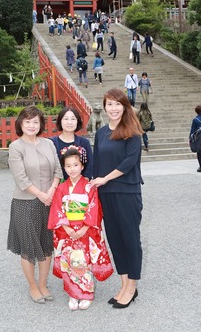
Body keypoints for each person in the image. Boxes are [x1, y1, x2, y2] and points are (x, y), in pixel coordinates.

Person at [90, 88, 144, 309]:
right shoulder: (101, 133)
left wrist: (105, 179)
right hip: (106, 194)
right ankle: (123, 284)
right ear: (104, 106)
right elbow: (96, 164)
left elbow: (129, 162)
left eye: (117, 104)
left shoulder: (132, 131)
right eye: (109, 104)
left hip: (127, 192)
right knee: (115, 239)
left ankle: (131, 287)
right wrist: (93, 184)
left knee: (130, 239)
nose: (113, 108)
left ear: (125, 106)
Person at [7, 106, 63, 304]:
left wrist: (52, 190)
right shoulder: (16, 147)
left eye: (35, 122)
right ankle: (32, 286)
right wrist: (41, 194)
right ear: (21, 123)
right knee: (29, 247)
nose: (31, 125)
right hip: (25, 203)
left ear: (41, 124)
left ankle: (43, 284)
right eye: (27, 121)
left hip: (49, 201)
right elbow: (20, 178)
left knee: (47, 245)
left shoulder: (48, 143)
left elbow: (58, 169)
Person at [48, 147, 114, 311]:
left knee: (84, 261)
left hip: (85, 230)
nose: (72, 169)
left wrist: (84, 227)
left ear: (82, 166)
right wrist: (66, 227)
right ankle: (73, 293)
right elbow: (57, 208)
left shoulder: (89, 186)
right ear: (64, 168)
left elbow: (94, 208)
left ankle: (86, 293)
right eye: (68, 166)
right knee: (70, 261)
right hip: (68, 231)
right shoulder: (62, 188)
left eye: (75, 165)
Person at [50, 107, 93, 181]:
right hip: (58, 185)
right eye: (66, 119)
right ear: (60, 121)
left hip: (80, 186)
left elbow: (90, 163)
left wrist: (84, 180)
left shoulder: (84, 142)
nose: (69, 122)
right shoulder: (51, 142)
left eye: (73, 119)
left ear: (77, 121)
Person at [189, 105, 201, 172]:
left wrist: (190, 139)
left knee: (199, 152)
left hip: (199, 138)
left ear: (196, 112)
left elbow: (192, 130)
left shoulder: (195, 120)